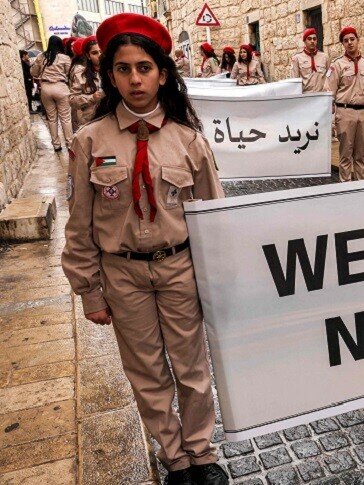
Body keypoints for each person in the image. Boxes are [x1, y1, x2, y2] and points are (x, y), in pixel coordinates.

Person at [61, 13, 228, 485]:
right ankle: (174, 459)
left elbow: (215, 220)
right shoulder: (88, 142)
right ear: (109, 75)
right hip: (123, 276)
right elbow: (80, 226)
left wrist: (218, 281)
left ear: (163, 73)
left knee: (193, 368)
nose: (135, 79)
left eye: (145, 68)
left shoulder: (189, 142)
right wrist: (89, 292)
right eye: (123, 68)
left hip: (179, 271)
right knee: (147, 373)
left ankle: (202, 452)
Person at [326, 26, 364, 182]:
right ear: (343, 44)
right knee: (345, 155)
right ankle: (346, 186)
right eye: (345, 41)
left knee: (361, 154)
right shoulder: (336, 65)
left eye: (352, 39)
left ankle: (361, 186)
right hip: (345, 113)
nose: (349, 43)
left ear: (358, 40)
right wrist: (330, 112)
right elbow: (329, 90)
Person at [31, 35, 73, 151]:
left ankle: (56, 145)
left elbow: (34, 72)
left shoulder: (41, 57)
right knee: (65, 118)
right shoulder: (64, 58)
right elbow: (69, 73)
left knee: (52, 118)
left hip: (46, 88)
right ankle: (70, 144)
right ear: (60, 45)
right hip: (61, 87)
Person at [69, 35, 104, 128]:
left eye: (101, 52)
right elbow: (72, 100)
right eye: (94, 53)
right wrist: (91, 98)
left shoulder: (113, 72)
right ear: (88, 56)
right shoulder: (81, 75)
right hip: (90, 122)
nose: (99, 55)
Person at [290, 27, 329, 93]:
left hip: (322, 96)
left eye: (314, 39)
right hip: (306, 97)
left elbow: (330, 78)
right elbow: (294, 82)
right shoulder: (297, 58)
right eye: (309, 39)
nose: (312, 41)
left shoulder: (325, 57)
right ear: (304, 41)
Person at [20, 50, 37, 114]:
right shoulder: (22, 63)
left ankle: (30, 108)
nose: (28, 56)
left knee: (30, 95)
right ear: (24, 55)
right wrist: (29, 79)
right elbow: (25, 72)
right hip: (27, 82)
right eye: (27, 55)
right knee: (29, 95)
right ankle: (30, 109)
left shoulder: (25, 62)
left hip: (29, 81)